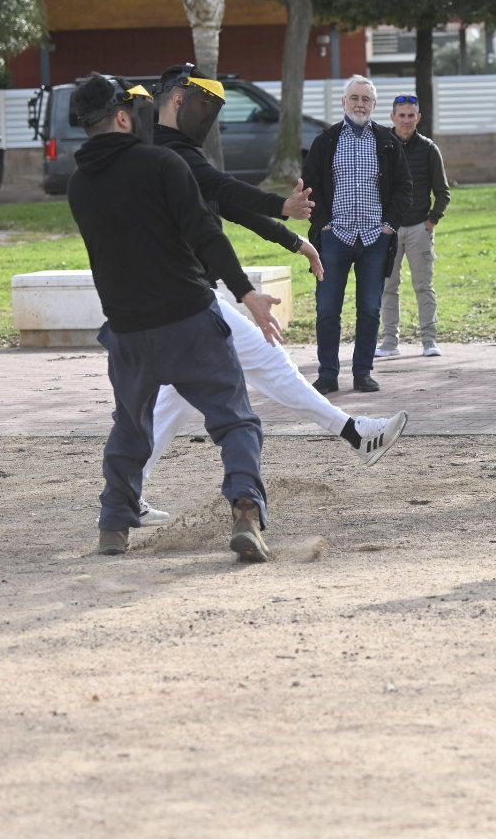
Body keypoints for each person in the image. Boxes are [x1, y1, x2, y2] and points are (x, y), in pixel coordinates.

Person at [137, 66, 410, 523]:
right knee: (267, 361)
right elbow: (222, 203)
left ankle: (126, 492)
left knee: (174, 398)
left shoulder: (176, 152)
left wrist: (294, 240)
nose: (209, 119)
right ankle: (354, 434)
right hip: (188, 296)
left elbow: (227, 206)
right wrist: (278, 218)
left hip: (182, 295)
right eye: (205, 107)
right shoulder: (169, 155)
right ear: (178, 102)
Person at [65, 73, 278, 562]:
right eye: (135, 109)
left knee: (130, 429)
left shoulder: (79, 185)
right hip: (189, 319)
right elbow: (206, 235)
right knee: (236, 420)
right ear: (123, 116)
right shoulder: (163, 163)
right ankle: (245, 510)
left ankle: (114, 525)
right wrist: (246, 293)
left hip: (128, 333)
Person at [302, 75, 412, 394]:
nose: (360, 104)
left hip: (375, 238)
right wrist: (323, 224)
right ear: (344, 102)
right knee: (327, 308)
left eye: (366, 99)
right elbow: (310, 186)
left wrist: (389, 225)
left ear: (374, 105)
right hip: (335, 237)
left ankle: (363, 372)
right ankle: (327, 374)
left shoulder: (387, 142)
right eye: (355, 98)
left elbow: (405, 188)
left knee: (369, 308)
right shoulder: (326, 141)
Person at [376, 93, 451, 359]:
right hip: (388, 230)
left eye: (411, 115)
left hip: (420, 228)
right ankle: (388, 343)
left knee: (423, 286)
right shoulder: (380, 144)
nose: (406, 120)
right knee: (387, 286)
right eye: (401, 115)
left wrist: (431, 221)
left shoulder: (429, 149)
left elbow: (443, 192)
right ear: (392, 117)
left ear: (419, 117)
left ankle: (429, 341)